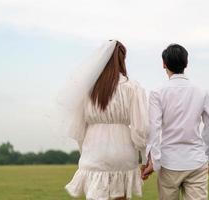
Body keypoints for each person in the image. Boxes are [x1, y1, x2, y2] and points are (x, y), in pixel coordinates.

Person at [63, 40, 148, 200]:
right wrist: (144, 157)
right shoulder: (132, 87)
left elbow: (78, 130)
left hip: (93, 154)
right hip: (122, 154)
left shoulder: (88, 89)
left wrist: (85, 153)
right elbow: (140, 128)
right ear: (122, 59)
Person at [142, 44, 209, 200]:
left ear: (164, 63)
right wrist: (207, 155)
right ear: (186, 63)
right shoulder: (201, 92)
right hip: (196, 160)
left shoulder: (157, 93)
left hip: (168, 162)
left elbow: (154, 129)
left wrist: (153, 161)